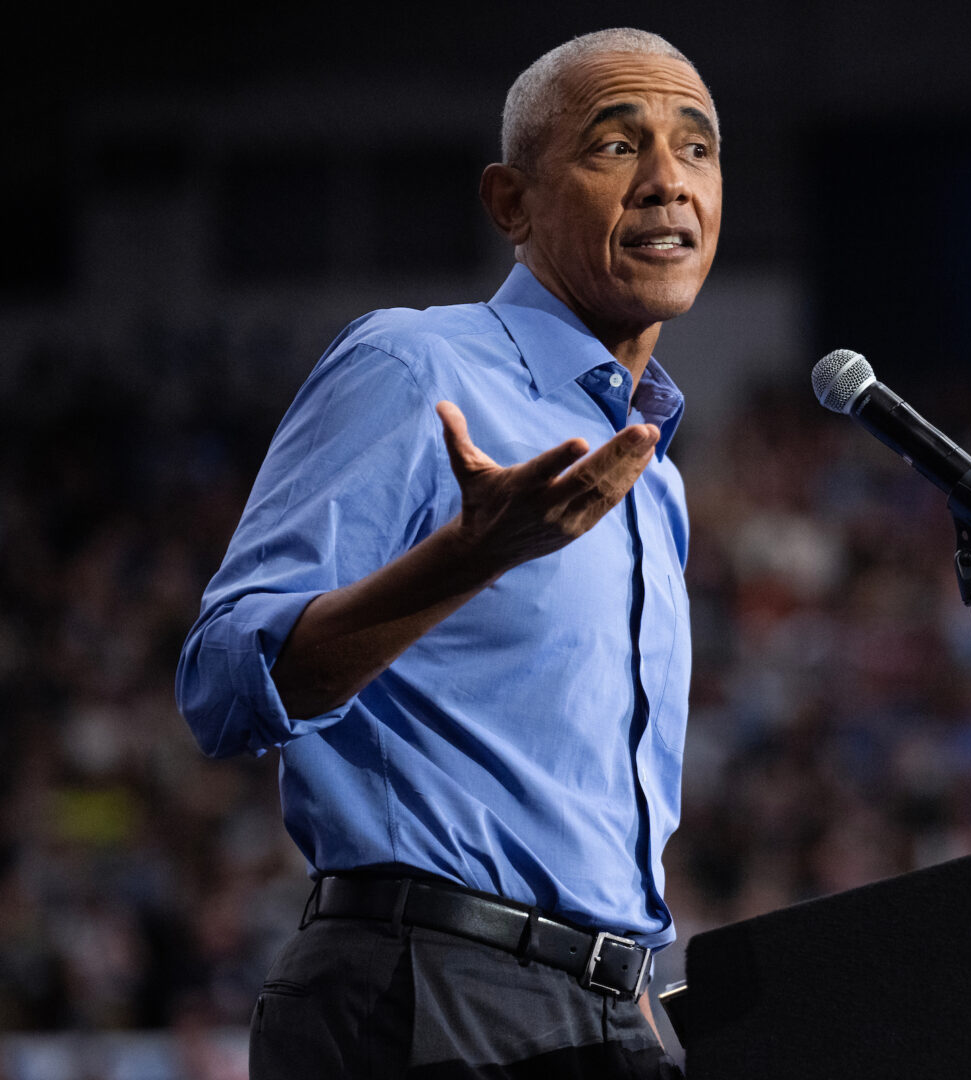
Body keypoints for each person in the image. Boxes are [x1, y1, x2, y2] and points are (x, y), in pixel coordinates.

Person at [176, 27, 720, 1079]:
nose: (667, 183)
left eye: (696, 149)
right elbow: (219, 686)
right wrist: (468, 558)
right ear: (510, 202)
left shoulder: (655, 477)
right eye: (616, 146)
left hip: (607, 1017)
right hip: (421, 997)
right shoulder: (413, 362)